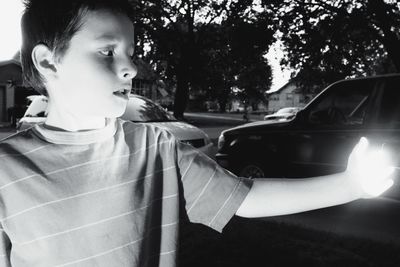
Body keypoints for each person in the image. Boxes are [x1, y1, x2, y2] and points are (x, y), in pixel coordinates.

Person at [0, 0, 394, 266]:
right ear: (48, 61)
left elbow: (245, 197)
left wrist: (351, 185)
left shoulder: (155, 148)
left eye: (131, 52)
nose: (132, 68)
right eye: (107, 51)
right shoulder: (5, 170)